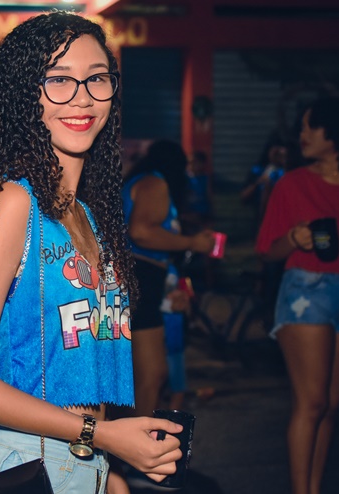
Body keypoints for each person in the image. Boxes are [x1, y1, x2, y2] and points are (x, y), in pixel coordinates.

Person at [0, 12, 182, 494]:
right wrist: (100, 436)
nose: (82, 97)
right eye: (59, 80)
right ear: (26, 95)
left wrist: (107, 466)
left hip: (80, 462)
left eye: (96, 79)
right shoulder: (13, 202)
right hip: (28, 463)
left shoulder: (87, 214)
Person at [256, 96, 339, 494]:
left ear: (336, 132)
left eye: (312, 126)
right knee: (311, 403)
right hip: (306, 293)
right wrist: (294, 238)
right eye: (302, 126)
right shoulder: (292, 183)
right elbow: (267, 250)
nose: (303, 134)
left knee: (329, 405)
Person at [121, 140, 215, 421]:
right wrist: (192, 243)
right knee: (152, 373)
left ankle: (132, 436)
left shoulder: (142, 181)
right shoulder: (155, 183)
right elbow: (141, 232)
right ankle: (136, 441)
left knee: (142, 374)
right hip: (141, 277)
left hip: (141, 279)